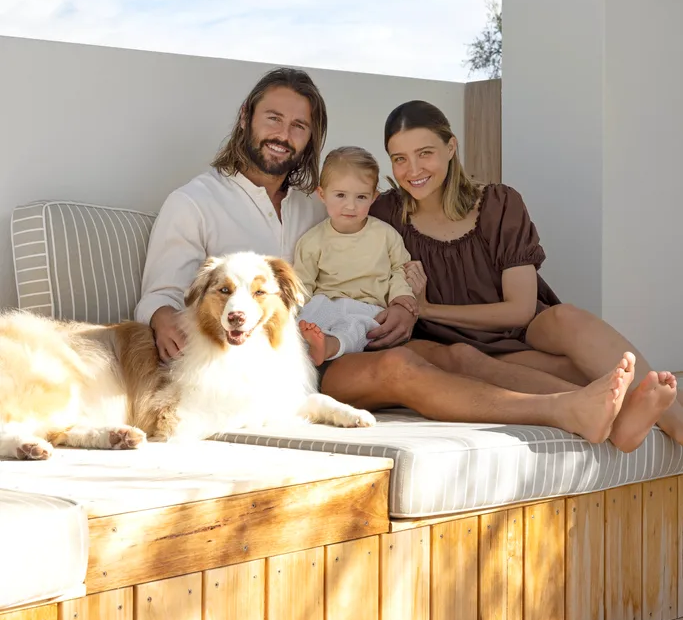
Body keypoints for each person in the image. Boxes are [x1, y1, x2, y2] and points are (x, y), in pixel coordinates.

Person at [317, 99, 679, 453]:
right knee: (556, 369)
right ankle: (623, 424)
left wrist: (427, 308)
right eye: (399, 159)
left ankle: (676, 418)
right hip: (454, 345)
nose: (413, 169)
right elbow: (346, 258)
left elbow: (520, 310)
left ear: (451, 147)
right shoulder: (383, 214)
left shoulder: (498, 203)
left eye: (425, 152)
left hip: (517, 329)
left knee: (565, 316)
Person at [135, 67, 411, 360]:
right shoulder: (192, 202)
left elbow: (373, 264)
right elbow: (162, 296)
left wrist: (404, 308)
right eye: (273, 119)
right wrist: (162, 317)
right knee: (399, 367)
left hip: (325, 349)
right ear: (245, 116)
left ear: (310, 139)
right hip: (238, 363)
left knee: (448, 355)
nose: (283, 135)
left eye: (298, 126)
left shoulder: (320, 207)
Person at [295, 146, 418, 365]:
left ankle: (330, 346)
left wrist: (401, 296)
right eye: (340, 195)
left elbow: (400, 268)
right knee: (306, 318)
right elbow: (302, 286)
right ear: (322, 194)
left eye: (361, 196)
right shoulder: (312, 240)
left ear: (373, 197)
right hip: (327, 301)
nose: (351, 206)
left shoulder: (386, 235)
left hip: (368, 307)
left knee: (358, 328)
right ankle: (302, 348)